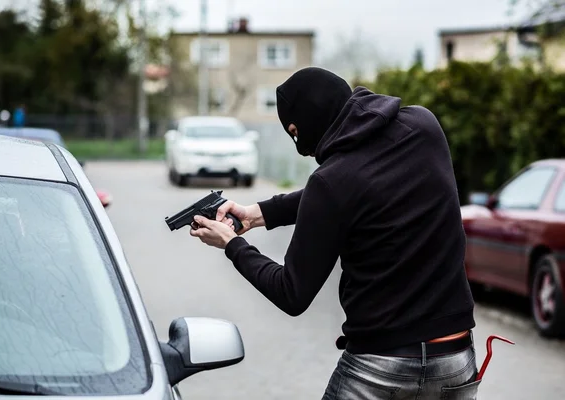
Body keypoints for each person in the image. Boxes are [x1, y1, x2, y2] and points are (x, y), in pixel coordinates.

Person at [189, 67, 478, 399]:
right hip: (455, 356)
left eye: (295, 135)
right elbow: (354, 188)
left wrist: (233, 245)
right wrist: (260, 214)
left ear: (299, 128)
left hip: (379, 366)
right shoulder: (423, 126)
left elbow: (291, 293)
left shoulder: (332, 182)